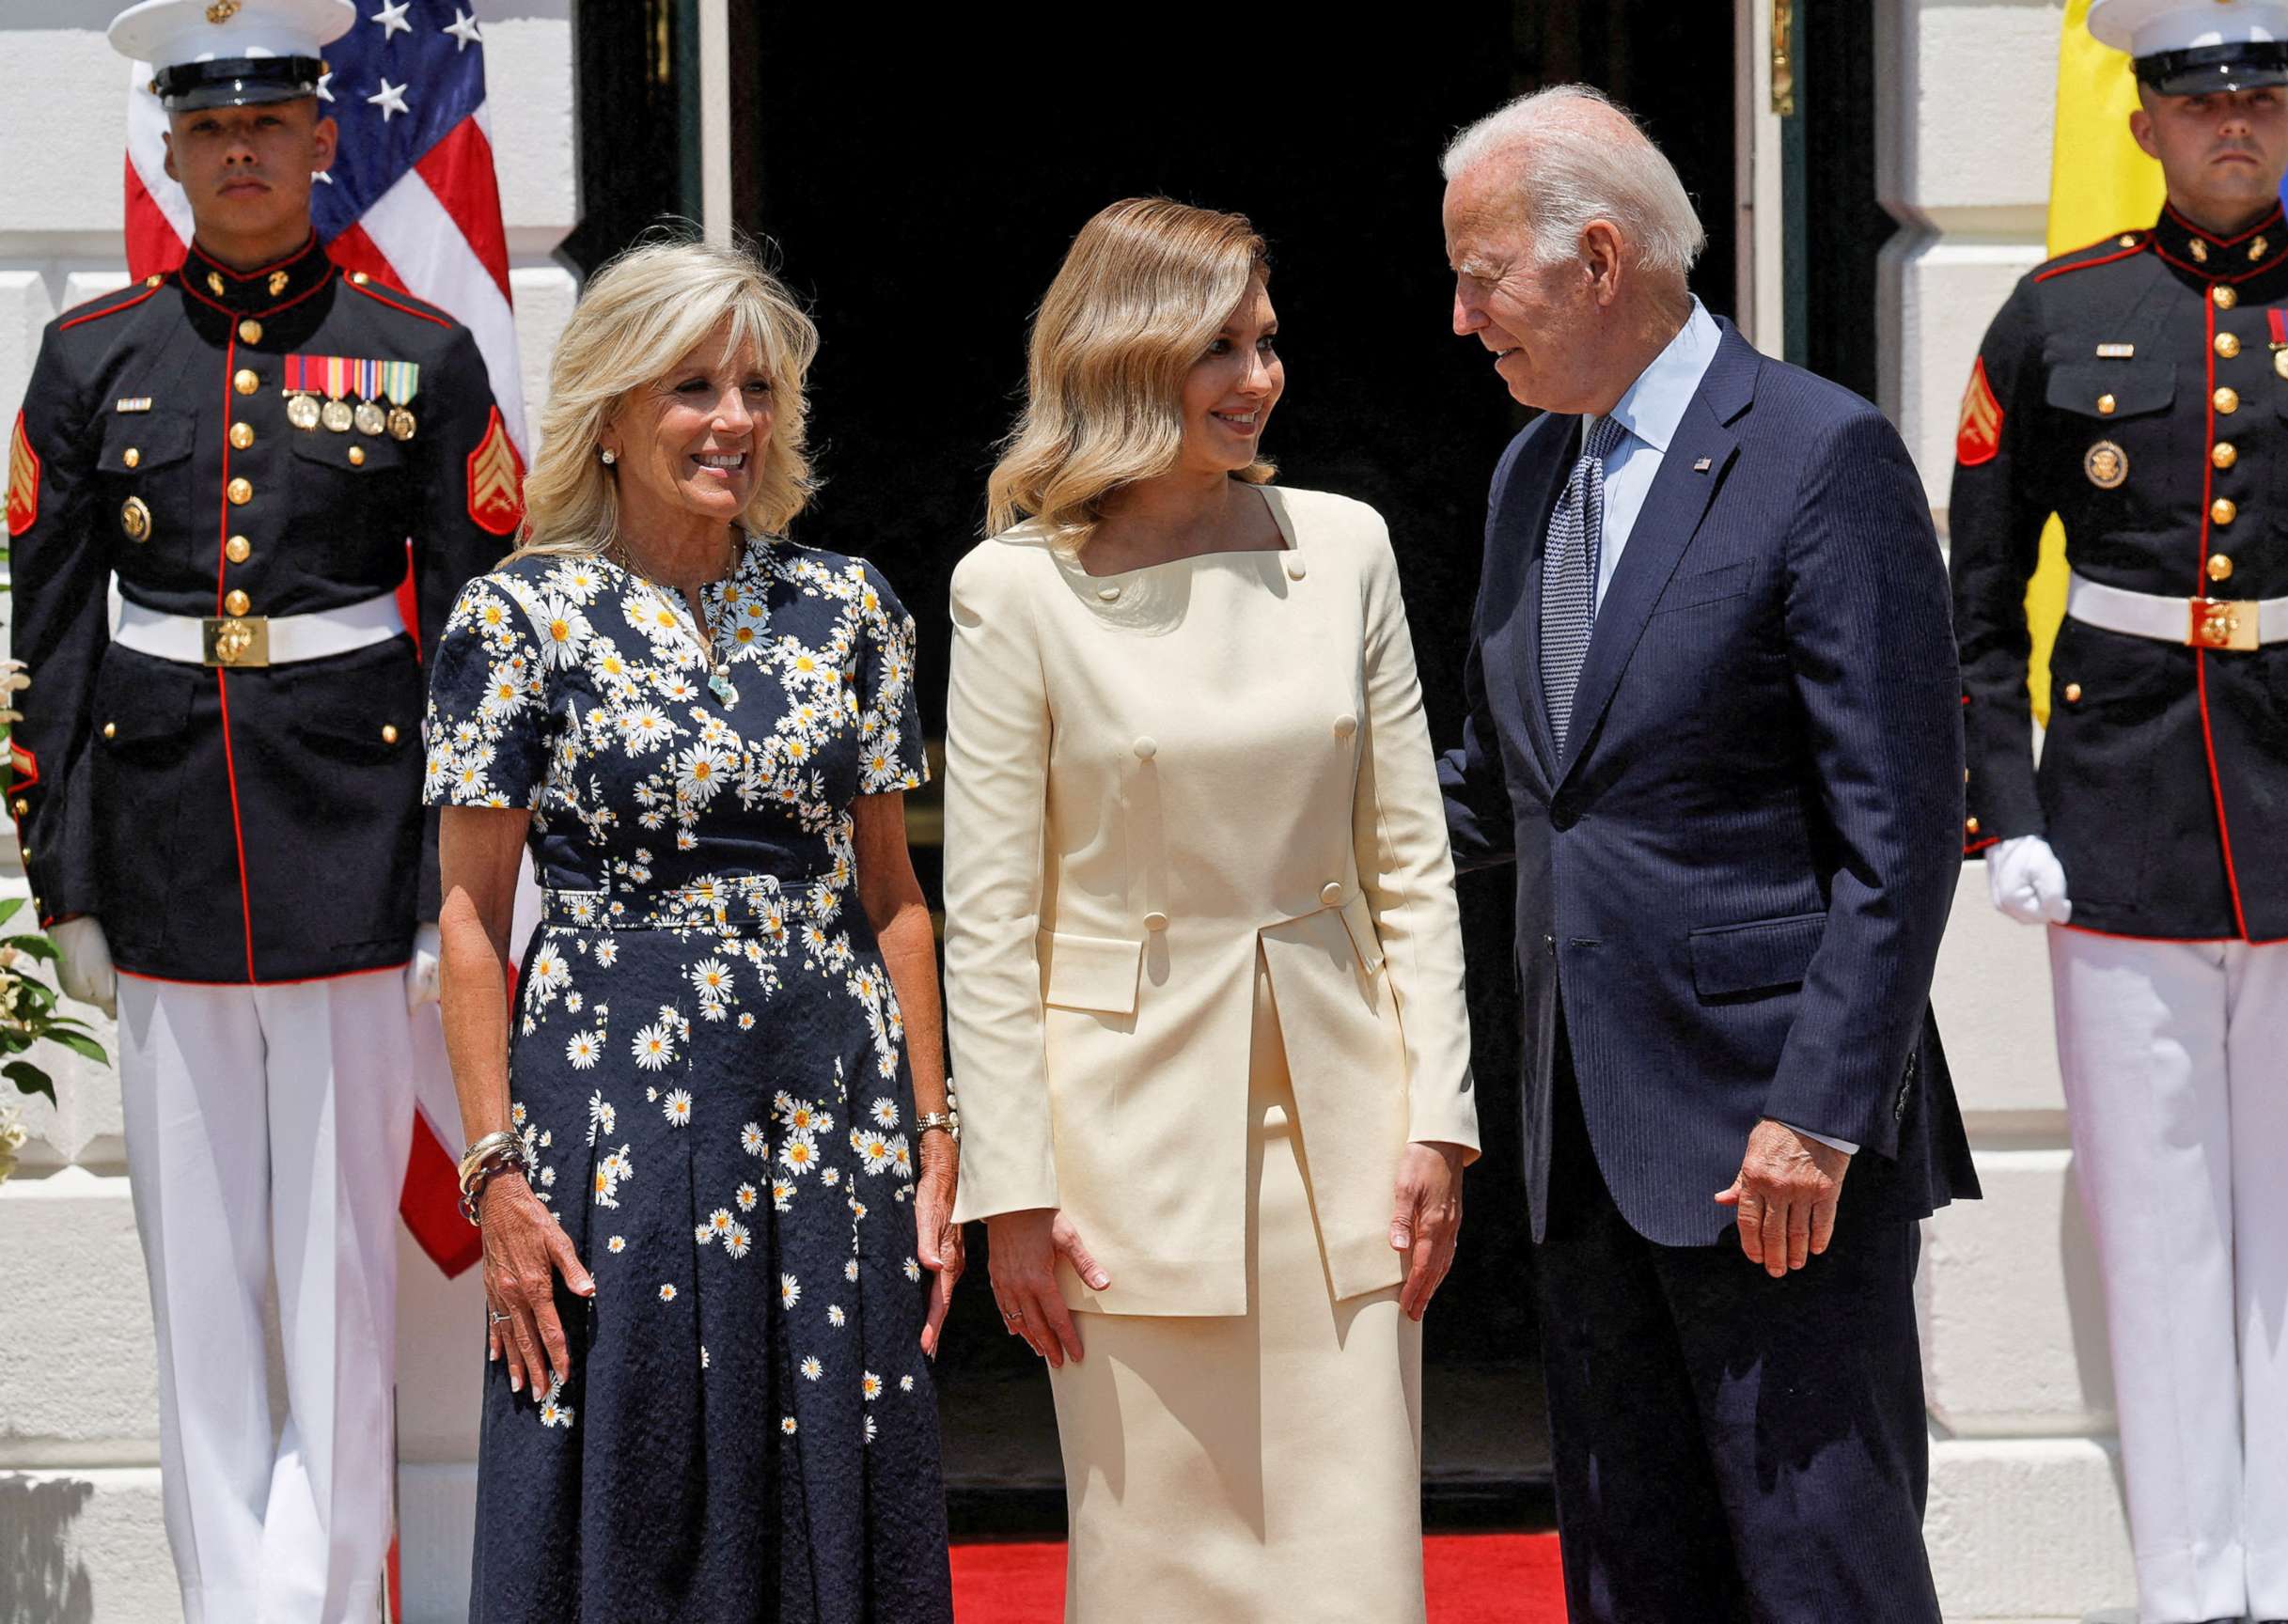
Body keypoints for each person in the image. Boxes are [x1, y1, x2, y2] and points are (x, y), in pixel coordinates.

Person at [1434, 86, 1978, 1620]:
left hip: (1771, 1152)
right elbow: (1509, 787)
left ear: (1598, 258)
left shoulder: (1819, 454)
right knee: (1632, 1574)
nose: (1465, 318)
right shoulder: (1532, 474)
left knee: (1821, 1568)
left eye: (1484, 277)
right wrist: (1267, 837)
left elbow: (1901, 829)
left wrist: (1817, 1114)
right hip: (1586, 1134)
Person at [6, 3, 518, 1616]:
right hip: (160, 861)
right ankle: (235, 1599)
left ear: (318, 142)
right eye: (209, 128)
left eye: (270, 124)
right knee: (200, 1287)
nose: (241, 151)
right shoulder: (92, 359)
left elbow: (475, 638)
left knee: (340, 1278)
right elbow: (51, 636)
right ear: (173, 152)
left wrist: (463, 891)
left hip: (361, 860)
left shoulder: (419, 355)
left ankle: (323, 1601)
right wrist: (63, 878)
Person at [1949, 2, 2288, 1617]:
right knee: (2154, 1214)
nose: (2233, 122)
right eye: (2195, 97)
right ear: (2144, 123)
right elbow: (1971, 597)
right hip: (2116, 807)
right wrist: (2005, 805)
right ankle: (2188, 1581)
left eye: (2260, 97)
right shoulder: (2052, 316)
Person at [943, 197, 1480, 1622]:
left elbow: (1410, 864)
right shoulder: (1012, 592)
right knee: (1152, 1567)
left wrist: (1441, 1124)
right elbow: (990, 923)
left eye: (1266, 341)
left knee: (1354, 1562)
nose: (1260, 377)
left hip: (1352, 1135)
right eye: (1218, 349)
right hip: (1120, 1155)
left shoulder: (1348, 546)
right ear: (1124, 358)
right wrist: (1012, 1195)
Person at [422, 238, 957, 1621]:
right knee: (633, 1470)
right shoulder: (515, 616)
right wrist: (494, 1176)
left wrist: (940, 1136)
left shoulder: (847, 608)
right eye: (692, 388)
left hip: (826, 1112)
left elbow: (895, 897)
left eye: (757, 389)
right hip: (613, 1118)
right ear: (609, 409)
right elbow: (473, 918)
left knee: (833, 1474)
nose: (732, 421)